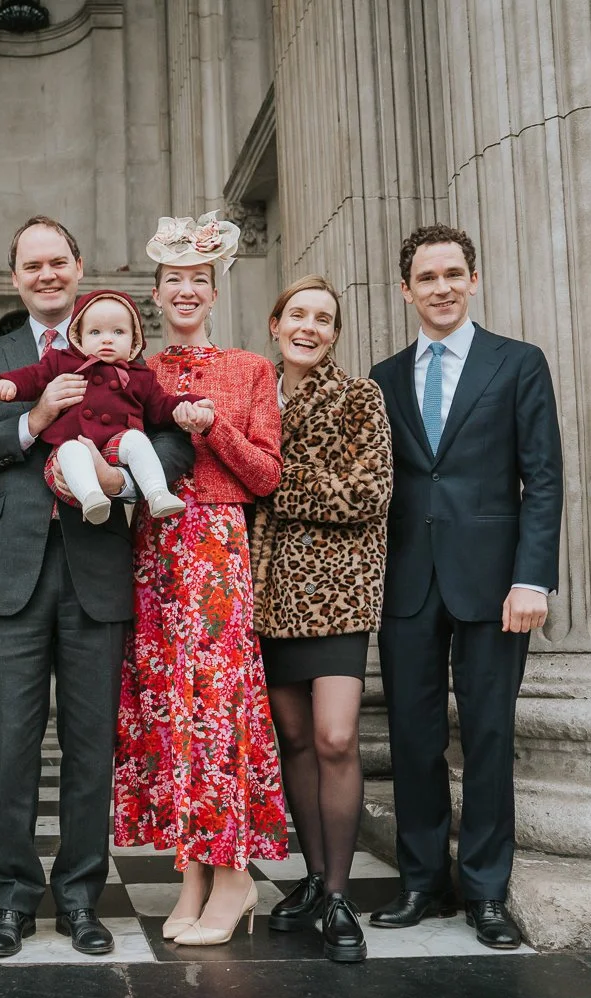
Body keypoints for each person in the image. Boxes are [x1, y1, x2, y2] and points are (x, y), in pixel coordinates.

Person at [0, 216, 194, 958]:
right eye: (33, 265)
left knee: (90, 746)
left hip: (97, 568)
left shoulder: (119, 345)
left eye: (59, 262)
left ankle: (82, 896)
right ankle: (14, 897)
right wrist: (32, 422)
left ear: (79, 268)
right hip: (12, 573)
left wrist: (123, 479)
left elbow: (172, 434)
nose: (47, 274)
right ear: (15, 276)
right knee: (10, 747)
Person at [367, 223, 563, 949]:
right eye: (427, 277)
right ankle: (422, 880)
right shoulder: (382, 379)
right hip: (407, 582)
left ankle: (485, 889)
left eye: (453, 274)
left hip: (495, 584)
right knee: (414, 737)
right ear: (406, 289)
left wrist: (532, 578)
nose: (442, 288)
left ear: (473, 280)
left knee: (487, 735)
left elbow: (542, 479)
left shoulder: (518, 364)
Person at [112, 211, 287, 947]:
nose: (186, 290)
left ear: (214, 293)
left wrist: (211, 425)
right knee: (170, 712)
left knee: (218, 707)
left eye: (198, 281)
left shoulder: (251, 369)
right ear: (155, 292)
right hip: (152, 549)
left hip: (215, 543)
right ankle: (192, 868)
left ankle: (235, 872)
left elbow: (267, 475)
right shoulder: (138, 371)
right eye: (174, 280)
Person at [250, 274, 393, 963]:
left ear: (335, 334)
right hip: (267, 591)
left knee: (337, 737)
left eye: (324, 320)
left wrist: (272, 476)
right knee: (296, 741)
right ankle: (312, 879)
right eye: (298, 315)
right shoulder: (251, 390)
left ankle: (340, 894)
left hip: (337, 590)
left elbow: (368, 492)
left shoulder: (360, 397)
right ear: (275, 323)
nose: (310, 327)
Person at [0, 288, 210, 523]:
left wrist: (190, 404)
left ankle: (156, 493)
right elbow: (34, 377)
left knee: (136, 439)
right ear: (79, 337)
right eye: (95, 332)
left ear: (134, 340)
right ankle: (92, 498)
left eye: (118, 332)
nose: (107, 339)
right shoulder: (63, 361)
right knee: (72, 450)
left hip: (113, 454)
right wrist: (11, 384)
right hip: (66, 466)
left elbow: (162, 406)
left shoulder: (140, 376)